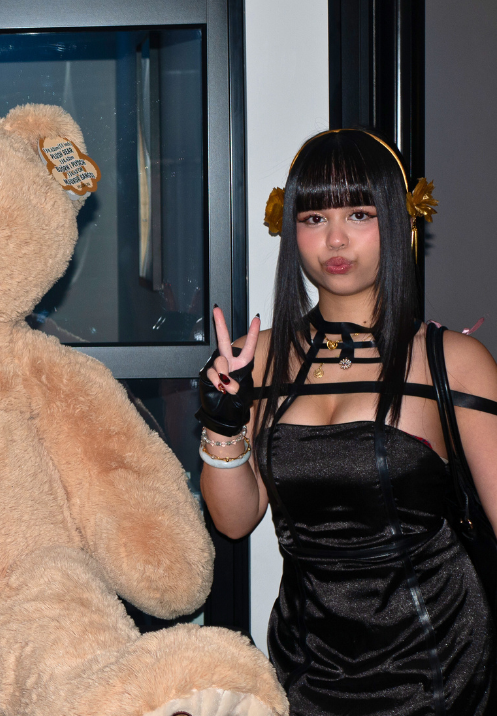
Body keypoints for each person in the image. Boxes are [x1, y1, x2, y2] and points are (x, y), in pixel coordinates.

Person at [197, 128, 497, 716]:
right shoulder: (255, 358)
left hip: (438, 663)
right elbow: (235, 522)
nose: (334, 238)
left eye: (358, 213)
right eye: (313, 217)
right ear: (291, 230)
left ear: (398, 220)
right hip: (307, 660)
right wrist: (224, 425)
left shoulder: (452, 362)